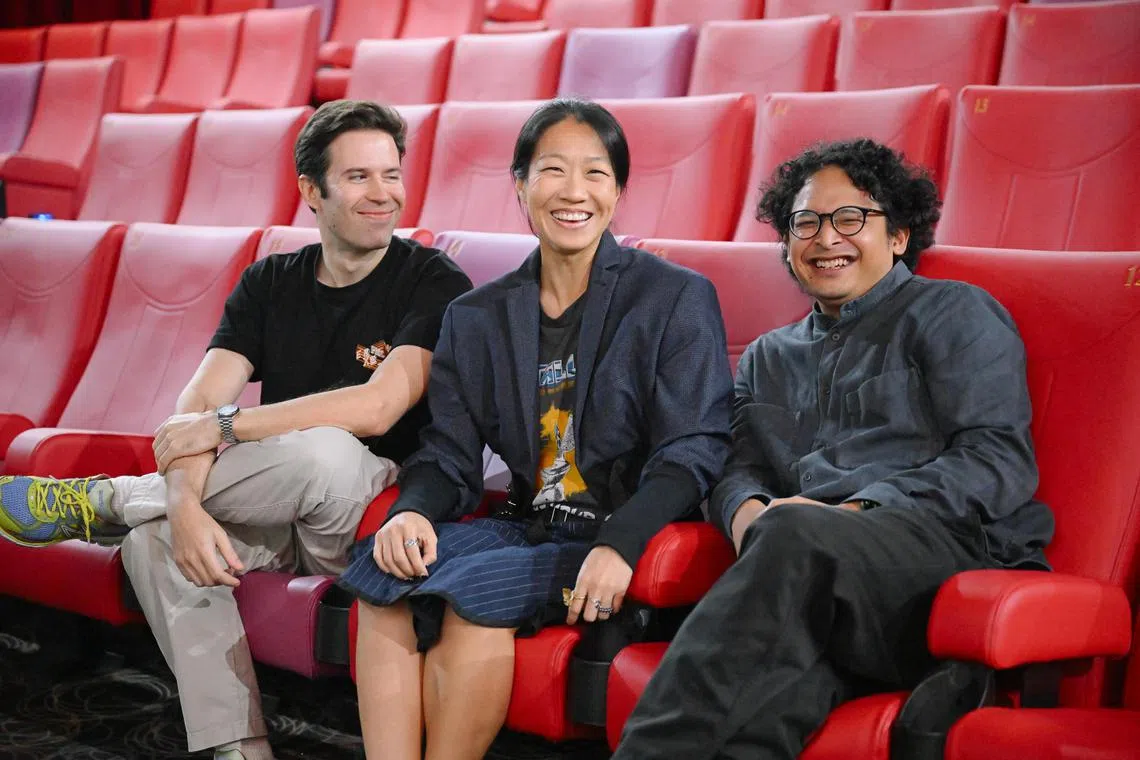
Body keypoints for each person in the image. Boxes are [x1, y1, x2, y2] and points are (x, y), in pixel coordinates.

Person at [0, 100, 473, 760]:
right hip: (269, 508)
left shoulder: (432, 278)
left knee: (327, 447)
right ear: (312, 190)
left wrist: (228, 425)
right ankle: (240, 749)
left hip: (369, 517)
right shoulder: (269, 282)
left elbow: (377, 409)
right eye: (360, 177)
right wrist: (184, 503)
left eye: (391, 175)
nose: (384, 194)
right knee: (156, 543)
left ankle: (106, 499)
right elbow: (194, 409)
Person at [611, 138, 1055, 759]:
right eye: (806, 222)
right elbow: (736, 465)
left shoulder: (952, 312)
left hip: (940, 554)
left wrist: (852, 513)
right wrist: (747, 517)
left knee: (793, 537)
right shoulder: (768, 355)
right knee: (762, 709)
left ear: (899, 235)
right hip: (805, 576)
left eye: (852, 219)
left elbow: (995, 460)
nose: (826, 238)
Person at [336, 98, 733, 760]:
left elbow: (694, 450)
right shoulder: (476, 316)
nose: (574, 192)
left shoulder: (672, 298)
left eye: (596, 174)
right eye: (552, 170)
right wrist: (411, 513)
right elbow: (449, 457)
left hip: (616, 530)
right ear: (520, 185)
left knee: (474, 596)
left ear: (618, 191)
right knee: (379, 572)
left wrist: (622, 543)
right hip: (531, 522)